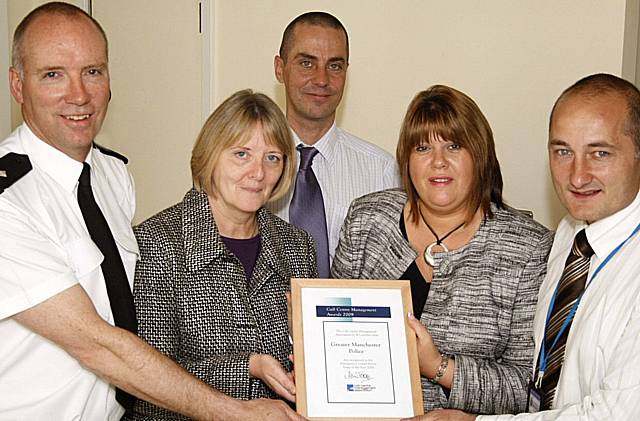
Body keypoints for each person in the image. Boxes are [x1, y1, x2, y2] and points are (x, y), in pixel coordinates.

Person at [0, 3, 302, 420]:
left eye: (93, 71)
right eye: (53, 74)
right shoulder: (7, 201)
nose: (79, 94)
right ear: (18, 85)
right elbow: (99, 344)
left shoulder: (112, 174)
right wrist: (236, 410)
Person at [404, 74, 640, 421]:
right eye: (563, 151)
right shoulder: (569, 238)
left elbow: (614, 414)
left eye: (599, 153)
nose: (577, 176)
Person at [332, 85, 553, 414]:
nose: (438, 162)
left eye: (453, 146)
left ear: (480, 156)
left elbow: (528, 389)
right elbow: (336, 335)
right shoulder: (367, 221)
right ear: (406, 160)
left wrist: (439, 367)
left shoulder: (528, 248)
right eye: (422, 148)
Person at [126, 89, 317, 420]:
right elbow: (146, 387)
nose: (258, 173)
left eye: (272, 157)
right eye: (242, 154)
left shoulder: (297, 246)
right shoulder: (157, 244)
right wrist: (249, 368)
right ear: (210, 155)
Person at [267, 11, 400, 277]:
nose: (321, 79)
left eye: (335, 66)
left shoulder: (383, 172)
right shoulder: (247, 168)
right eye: (307, 63)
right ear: (280, 68)